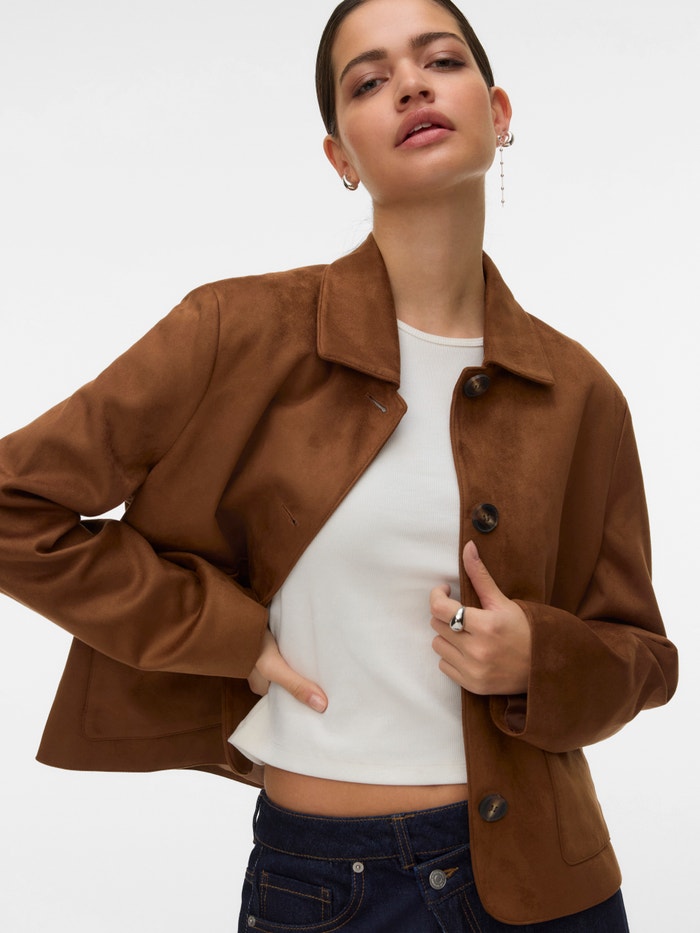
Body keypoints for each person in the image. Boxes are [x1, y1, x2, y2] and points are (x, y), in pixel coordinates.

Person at [0, 0, 678, 930]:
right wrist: (226, 634)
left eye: (441, 61)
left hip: (552, 886)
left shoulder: (579, 391)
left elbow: (644, 655)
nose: (410, 85)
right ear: (340, 157)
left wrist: (540, 657)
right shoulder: (240, 332)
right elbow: (15, 503)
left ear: (499, 113)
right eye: (369, 81)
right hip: (325, 888)